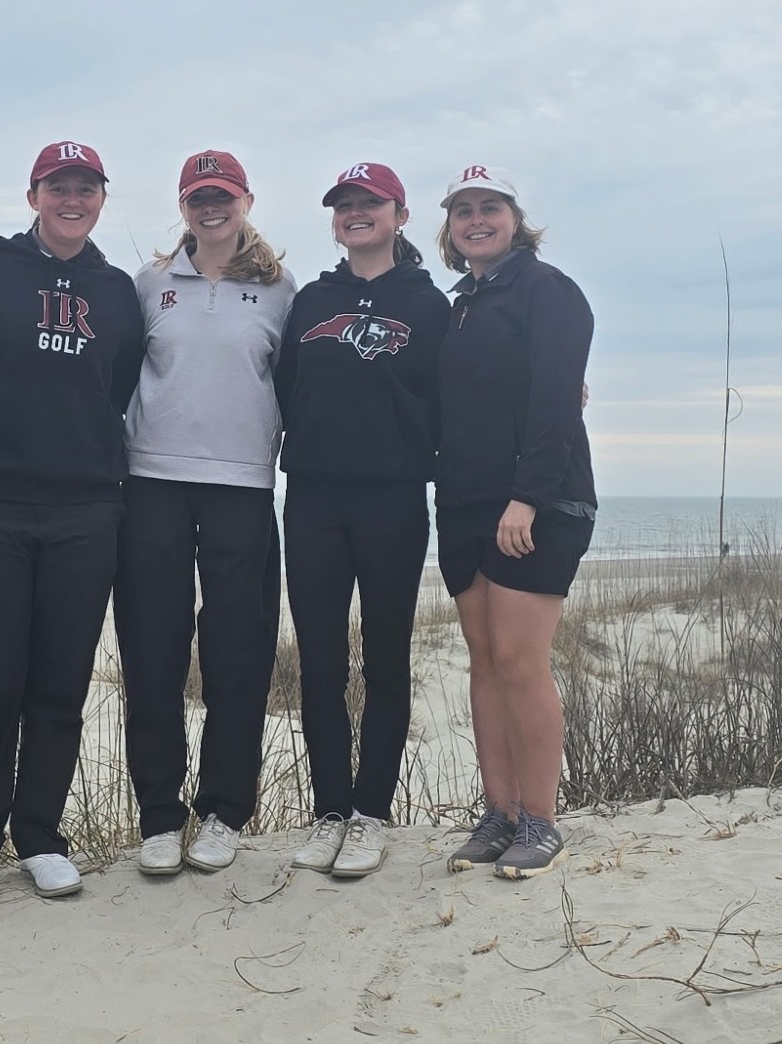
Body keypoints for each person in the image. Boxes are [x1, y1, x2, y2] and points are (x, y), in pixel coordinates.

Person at [0, 140, 146, 908]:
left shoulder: (117, 290)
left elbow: (116, 386)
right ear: (33, 195)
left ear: (101, 199)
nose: (73, 199)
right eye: (58, 186)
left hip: (88, 506)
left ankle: (41, 835)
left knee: (61, 680)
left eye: (87, 188)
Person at [117, 150, 296, 876]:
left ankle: (224, 812)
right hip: (151, 483)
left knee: (238, 657)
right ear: (183, 205)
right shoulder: (147, 285)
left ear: (246, 199)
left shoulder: (284, 290)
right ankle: (159, 816)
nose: (210, 207)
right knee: (153, 654)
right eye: (198, 197)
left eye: (222, 195)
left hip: (244, 489)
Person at [274, 163, 449, 878]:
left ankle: (372, 812)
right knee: (320, 661)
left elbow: (452, 395)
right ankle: (329, 810)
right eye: (344, 205)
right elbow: (285, 385)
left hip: (394, 499)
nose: (355, 214)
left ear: (400, 216)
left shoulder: (429, 305)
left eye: (368, 204)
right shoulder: (314, 298)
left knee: (385, 657)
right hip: (314, 498)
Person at [433, 165, 595, 880]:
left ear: (515, 217)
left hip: (537, 502)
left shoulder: (546, 290)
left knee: (522, 661)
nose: (476, 219)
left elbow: (557, 402)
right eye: (463, 210)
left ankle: (540, 820)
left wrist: (527, 496)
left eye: (489, 207)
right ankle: (497, 815)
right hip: (464, 501)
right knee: (485, 662)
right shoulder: (460, 303)